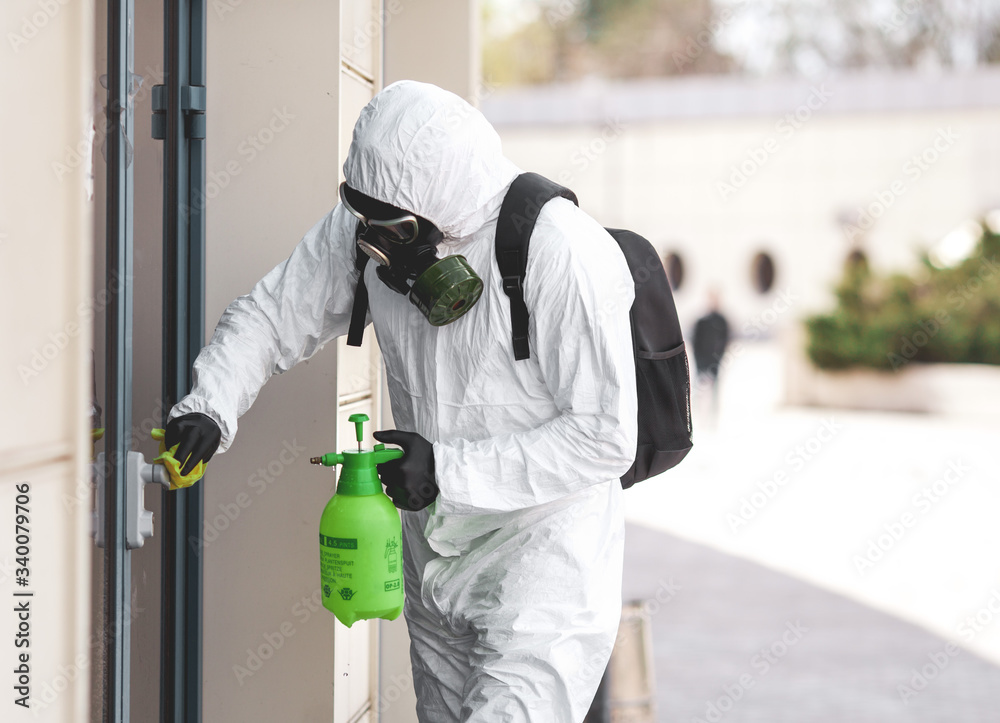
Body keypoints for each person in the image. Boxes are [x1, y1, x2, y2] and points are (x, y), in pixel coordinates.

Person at [164, 80, 638, 722]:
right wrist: (209, 403)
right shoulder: (373, 217)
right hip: (433, 556)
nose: (371, 247)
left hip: (543, 559)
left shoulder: (564, 255)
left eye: (390, 232)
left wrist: (446, 470)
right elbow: (272, 316)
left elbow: (605, 437)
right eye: (362, 223)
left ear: (443, 215)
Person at [691, 289, 730, 427]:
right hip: (702, 361)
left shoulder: (721, 321)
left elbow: (725, 340)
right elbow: (696, 341)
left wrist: (719, 358)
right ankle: (698, 417)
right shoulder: (702, 321)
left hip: (715, 361)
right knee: (699, 390)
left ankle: (713, 418)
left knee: (714, 390)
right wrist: (699, 361)